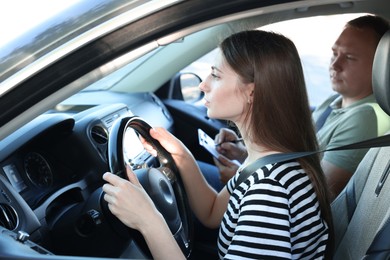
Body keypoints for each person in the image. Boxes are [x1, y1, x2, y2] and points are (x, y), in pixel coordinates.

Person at [102, 30, 333, 259]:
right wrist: (180, 154)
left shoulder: (270, 191)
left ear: (252, 92)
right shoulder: (266, 160)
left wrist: (147, 220)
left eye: (216, 75)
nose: (203, 85)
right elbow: (212, 213)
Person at [210, 15, 390, 202]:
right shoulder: (335, 101)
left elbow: (317, 194)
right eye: (335, 53)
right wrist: (244, 152)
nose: (335, 65)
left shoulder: (366, 117)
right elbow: (299, 157)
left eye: (350, 58)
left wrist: (244, 180)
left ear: (380, 65)